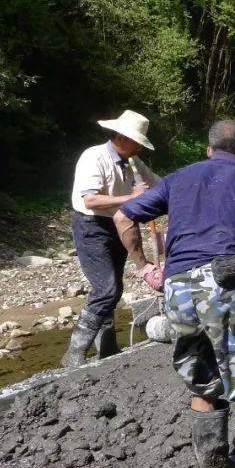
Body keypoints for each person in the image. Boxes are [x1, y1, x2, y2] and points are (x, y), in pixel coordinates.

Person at [116, 119, 235, 468]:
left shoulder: (179, 178)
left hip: (178, 288)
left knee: (201, 377)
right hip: (224, 284)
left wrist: (145, 267)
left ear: (208, 149)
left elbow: (123, 216)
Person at [62, 110, 163, 368]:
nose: (140, 147)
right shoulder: (94, 157)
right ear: (123, 137)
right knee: (105, 288)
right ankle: (73, 355)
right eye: (137, 142)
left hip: (119, 222)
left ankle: (106, 348)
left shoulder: (133, 162)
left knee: (115, 287)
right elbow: (90, 199)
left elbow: (159, 185)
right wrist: (131, 198)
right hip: (92, 225)